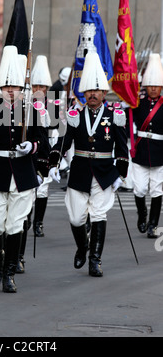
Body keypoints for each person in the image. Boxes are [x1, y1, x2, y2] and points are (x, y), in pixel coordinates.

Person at [49, 52, 129, 277]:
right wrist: (53, 163)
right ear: (83, 93)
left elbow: (122, 149)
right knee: (76, 218)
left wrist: (120, 175)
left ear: (104, 93)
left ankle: (95, 260)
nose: (93, 94)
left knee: (99, 215)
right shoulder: (74, 115)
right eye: (89, 91)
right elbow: (62, 143)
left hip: (104, 172)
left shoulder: (115, 115)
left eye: (97, 91)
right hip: (80, 171)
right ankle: (82, 247)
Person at [0, 46, 45, 293]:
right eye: (7, 87)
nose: (11, 91)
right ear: (0, 90)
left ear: (22, 89)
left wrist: (32, 146)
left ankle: (9, 271)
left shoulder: (31, 110)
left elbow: (43, 140)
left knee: (15, 225)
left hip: (23, 173)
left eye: (15, 87)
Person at [131, 53, 163, 238]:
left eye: (156, 86)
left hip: (160, 152)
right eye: (150, 86)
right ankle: (142, 213)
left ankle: (152, 224)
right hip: (141, 151)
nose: (153, 89)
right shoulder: (137, 103)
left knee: (157, 190)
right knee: (140, 188)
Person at [30, 55, 52, 238]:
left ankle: (39, 222)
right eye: (34, 86)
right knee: (28, 189)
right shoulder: (26, 106)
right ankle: (26, 218)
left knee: (42, 190)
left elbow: (61, 133)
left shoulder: (55, 106)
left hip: (48, 152)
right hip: (31, 152)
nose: (38, 90)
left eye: (41, 87)